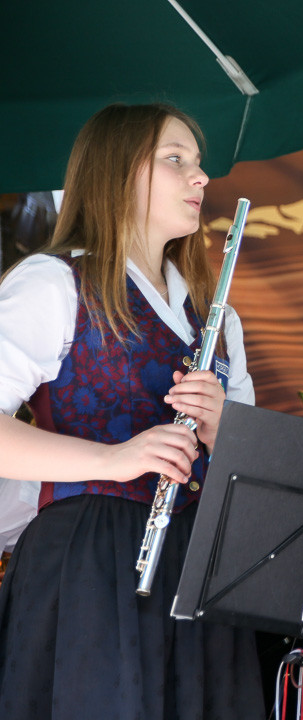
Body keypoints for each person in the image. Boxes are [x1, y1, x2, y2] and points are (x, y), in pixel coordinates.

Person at [0, 103, 264, 719]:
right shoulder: (54, 281)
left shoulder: (218, 319)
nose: (201, 179)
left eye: (199, 166)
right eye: (176, 161)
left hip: (202, 562)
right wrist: (115, 458)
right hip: (91, 556)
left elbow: (254, 468)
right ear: (116, 173)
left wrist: (226, 429)